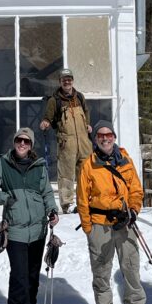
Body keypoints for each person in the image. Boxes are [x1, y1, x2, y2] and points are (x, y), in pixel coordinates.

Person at [76, 120, 152, 304]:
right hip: (100, 223)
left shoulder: (126, 160)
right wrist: (88, 227)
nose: (105, 138)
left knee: (131, 270)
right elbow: (82, 198)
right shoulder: (89, 165)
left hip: (125, 222)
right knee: (101, 273)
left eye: (108, 134)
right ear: (96, 139)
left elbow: (136, 190)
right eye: (100, 135)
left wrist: (134, 212)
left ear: (114, 137)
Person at [0, 127, 60, 304]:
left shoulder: (39, 166)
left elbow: (46, 192)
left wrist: (52, 211)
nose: (22, 144)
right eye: (19, 140)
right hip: (15, 231)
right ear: (15, 141)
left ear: (31, 145)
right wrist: (6, 198)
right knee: (19, 278)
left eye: (27, 141)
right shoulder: (2, 164)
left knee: (32, 278)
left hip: (38, 230)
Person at [40, 68, 92, 213]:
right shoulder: (54, 100)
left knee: (86, 172)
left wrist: (88, 124)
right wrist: (45, 122)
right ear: (60, 82)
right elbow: (48, 117)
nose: (67, 82)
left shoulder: (80, 97)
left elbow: (86, 111)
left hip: (83, 141)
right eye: (64, 79)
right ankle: (66, 205)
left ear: (72, 81)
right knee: (66, 174)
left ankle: (86, 202)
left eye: (69, 79)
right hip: (66, 142)